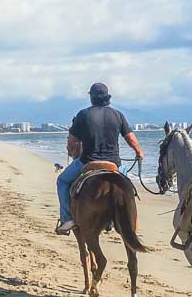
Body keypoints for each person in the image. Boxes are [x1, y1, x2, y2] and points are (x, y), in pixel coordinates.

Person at [56, 82, 144, 234]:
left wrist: (72, 150)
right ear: (107, 97)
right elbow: (130, 138)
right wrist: (139, 152)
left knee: (62, 181)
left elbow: (72, 142)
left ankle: (66, 219)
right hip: (114, 164)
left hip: (88, 162)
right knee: (127, 188)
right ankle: (129, 219)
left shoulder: (83, 114)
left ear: (91, 97)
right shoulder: (118, 115)